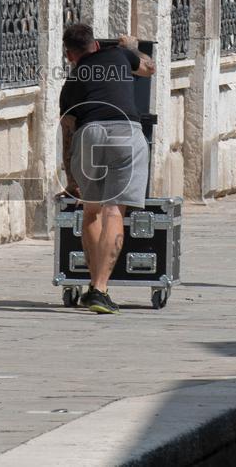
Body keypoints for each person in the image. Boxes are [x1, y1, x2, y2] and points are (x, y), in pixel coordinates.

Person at [59, 24, 156, 314]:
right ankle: (99, 289)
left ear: (69, 56)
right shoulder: (118, 56)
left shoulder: (72, 81)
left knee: (91, 210)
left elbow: (68, 132)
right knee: (115, 210)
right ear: (96, 45)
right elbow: (149, 68)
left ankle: (94, 286)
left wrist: (70, 177)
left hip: (88, 134)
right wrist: (132, 46)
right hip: (126, 131)